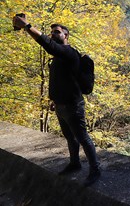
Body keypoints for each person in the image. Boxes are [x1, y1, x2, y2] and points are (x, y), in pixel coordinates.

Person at [13, 14, 100, 187]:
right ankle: (75, 163)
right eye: (52, 32)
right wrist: (54, 100)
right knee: (69, 137)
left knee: (82, 138)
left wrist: (27, 26)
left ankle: (95, 170)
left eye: (57, 32)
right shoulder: (58, 58)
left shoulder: (68, 52)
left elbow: (48, 45)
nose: (53, 34)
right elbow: (59, 80)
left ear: (65, 36)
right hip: (60, 105)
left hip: (73, 106)